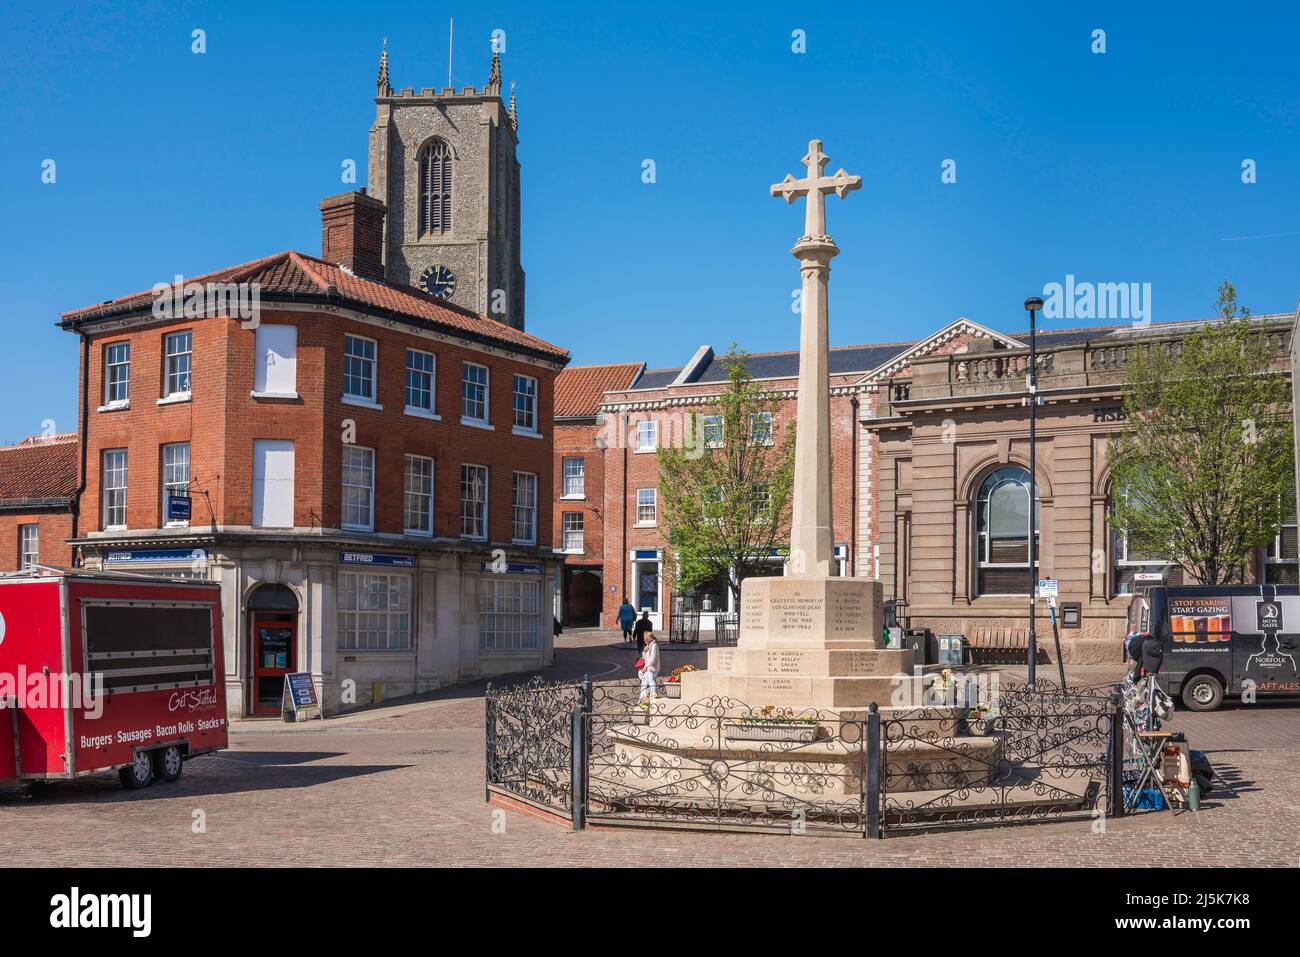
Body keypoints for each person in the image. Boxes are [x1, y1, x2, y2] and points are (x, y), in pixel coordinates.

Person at [638, 629, 660, 705]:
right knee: (644, 683)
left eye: (645, 639)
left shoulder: (654, 646)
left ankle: (653, 696)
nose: (644, 641)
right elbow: (644, 657)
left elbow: (653, 659)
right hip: (647, 668)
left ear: (649, 639)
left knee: (651, 681)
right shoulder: (648, 646)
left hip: (651, 668)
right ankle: (641, 699)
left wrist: (646, 666)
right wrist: (644, 651)